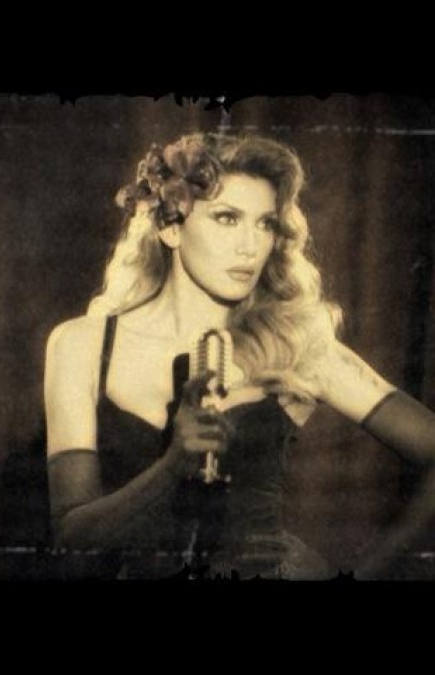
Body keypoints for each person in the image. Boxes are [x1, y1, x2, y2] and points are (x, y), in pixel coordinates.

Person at [44, 132, 435, 580]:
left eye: (265, 224)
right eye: (227, 218)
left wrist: (373, 570)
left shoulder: (295, 344)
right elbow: (70, 540)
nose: (251, 246)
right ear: (171, 227)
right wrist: (174, 466)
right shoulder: (83, 345)